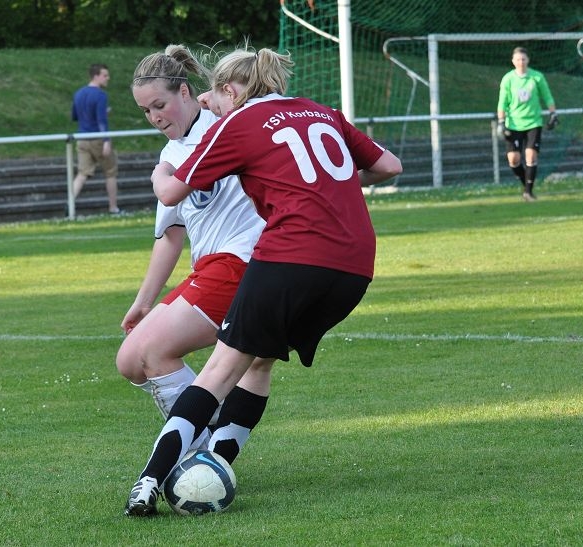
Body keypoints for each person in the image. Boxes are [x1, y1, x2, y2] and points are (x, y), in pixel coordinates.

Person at [124, 46, 403, 517]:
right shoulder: (321, 111)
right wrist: (328, 187)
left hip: (289, 257)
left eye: (216, 96)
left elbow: (170, 192)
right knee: (257, 363)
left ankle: (149, 481)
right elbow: (390, 166)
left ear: (231, 92)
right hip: (354, 269)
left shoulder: (239, 123)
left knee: (219, 371)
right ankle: (215, 462)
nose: (212, 104)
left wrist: (160, 172)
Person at [118, 44, 271, 496]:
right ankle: (206, 443)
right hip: (209, 267)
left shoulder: (225, 124)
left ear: (185, 92)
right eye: (145, 111)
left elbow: (253, 98)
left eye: (159, 105)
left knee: (156, 352)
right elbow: (170, 234)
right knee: (130, 360)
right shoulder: (173, 153)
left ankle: (196, 451)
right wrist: (143, 302)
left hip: (242, 262)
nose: (154, 117)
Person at [496, 47, 558, 202]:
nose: (521, 62)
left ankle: (528, 193)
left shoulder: (537, 77)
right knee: (513, 159)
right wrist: (501, 122)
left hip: (533, 122)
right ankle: (527, 185)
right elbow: (502, 102)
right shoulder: (508, 79)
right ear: (513, 61)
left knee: (531, 155)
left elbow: (547, 96)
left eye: (523, 59)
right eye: (518, 59)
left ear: (528, 60)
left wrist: (553, 114)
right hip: (513, 123)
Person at [71, 63, 121, 214]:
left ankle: (70, 206)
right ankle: (113, 208)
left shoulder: (78, 93)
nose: (108, 78)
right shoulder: (100, 95)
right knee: (110, 172)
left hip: (81, 138)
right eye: (105, 75)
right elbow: (101, 121)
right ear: (96, 76)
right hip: (98, 139)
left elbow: (74, 116)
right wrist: (106, 141)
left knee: (82, 173)